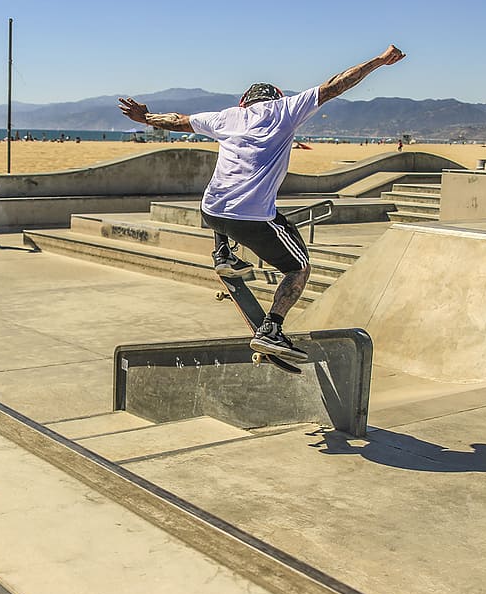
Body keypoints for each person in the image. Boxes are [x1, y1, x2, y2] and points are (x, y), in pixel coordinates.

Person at [118, 44, 406, 360]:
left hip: (211, 211)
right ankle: (272, 330)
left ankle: (223, 253)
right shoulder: (286, 110)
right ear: (276, 99)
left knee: (231, 198)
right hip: (252, 218)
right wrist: (379, 61)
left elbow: (176, 120)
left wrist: (145, 117)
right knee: (299, 268)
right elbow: (336, 84)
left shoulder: (226, 118)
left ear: (244, 103)